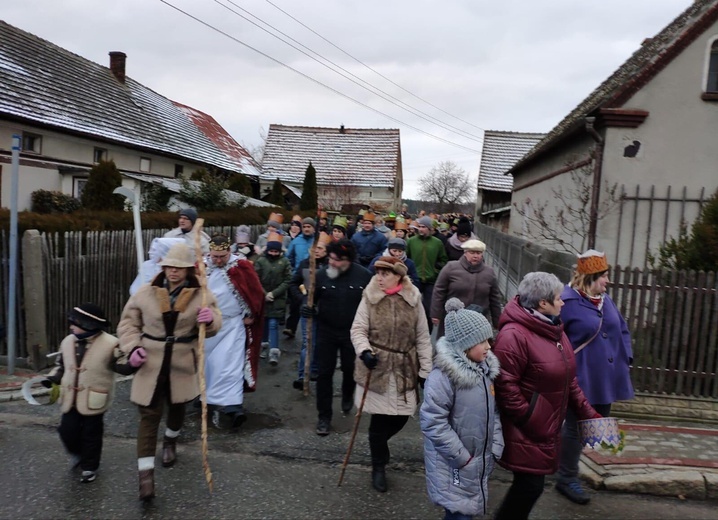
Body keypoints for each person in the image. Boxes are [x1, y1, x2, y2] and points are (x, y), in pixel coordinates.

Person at [117, 242, 222, 501]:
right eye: (169, 266)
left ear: (189, 270)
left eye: (179, 267)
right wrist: (132, 348)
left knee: (177, 407)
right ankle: (145, 477)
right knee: (149, 416)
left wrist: (210, 320)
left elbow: (217, 321)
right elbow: (128, 324)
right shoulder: (145, 292)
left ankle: (171, 440)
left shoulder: (202, 294)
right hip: (150, 361)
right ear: (163, 267)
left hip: (182, 360)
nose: (173, 272)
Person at [491, 272, 599, 520]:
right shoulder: (514, 335)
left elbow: (569, 380)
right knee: (530, 486)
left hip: (547, 427)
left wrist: (589, 414)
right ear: (543, 303)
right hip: (527, 428)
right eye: (559, 298)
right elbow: (505, 386)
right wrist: (532, 418)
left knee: (529, 488)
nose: (563, 302)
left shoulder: (554, 329)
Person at [556, 250, 634, 504]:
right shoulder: (566, 302)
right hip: (582, 377)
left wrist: (627, 357)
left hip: (608, 376)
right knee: (576, 428)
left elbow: (621, 328)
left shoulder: (605, 300)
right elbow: (554, 337)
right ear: (590, 277)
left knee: (598, 424)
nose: (607, 281)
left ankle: (584, 462)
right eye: (604, 276)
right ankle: (566, 478)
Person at [351, 256, 432, 492]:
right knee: (378, 422)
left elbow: (423, 338)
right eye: (377, 272)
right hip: (377, 368)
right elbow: (358, 329)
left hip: (405, 367)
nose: (379, 277)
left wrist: (426, 371)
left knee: (401, 416)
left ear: (398, 276)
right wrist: (364, 351)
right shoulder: (370, 297)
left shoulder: (413, 298)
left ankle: (379, 447)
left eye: (385, 273)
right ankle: (378, 466)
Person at [421, 298, 504, 520]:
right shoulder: (443, 378)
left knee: (467, 508)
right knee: (459, 512)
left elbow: (493, 411)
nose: (489, 346)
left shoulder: (484, 371)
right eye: (482, 341)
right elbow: (433, 422)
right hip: (455, 465)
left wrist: (496, 445)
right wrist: (462, 458)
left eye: (489, 340)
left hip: (478, 460)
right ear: (464, 345)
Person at [43, 303, 133, 484]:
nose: (71, 327)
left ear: (88, 324)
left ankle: (90, 467)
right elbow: (61, 365)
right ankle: (77, 452)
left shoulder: (110, 343)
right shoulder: (68, 341)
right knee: (67, 431)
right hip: (70, 397)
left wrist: (134, 363)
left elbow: (120, 366)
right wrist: (52, 379)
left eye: (74, 323)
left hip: (94, 398)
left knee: (91, 435)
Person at [301, 239, 372, 436]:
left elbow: (373, 304)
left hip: (353, 333)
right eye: (331, 258)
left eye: (338, 260)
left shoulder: (364, 276)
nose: (332, 262)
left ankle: (348, 393)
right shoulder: (321, 275)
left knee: (350, 369)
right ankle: (324, 417)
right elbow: (309, 299)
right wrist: (306, 308)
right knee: (324, 374)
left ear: (348, 260)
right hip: (326, 331)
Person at [203, 235, 265, 429]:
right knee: (209, 363)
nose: (219, 260)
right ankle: (205, 396)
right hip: (209, 327)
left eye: (222, 256)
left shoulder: (242, 266)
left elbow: (255, 293)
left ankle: (233, 406)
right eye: (215, 256)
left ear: (229, 252)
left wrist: (251, 313)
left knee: (230, 364)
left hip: (233, 325)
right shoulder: (201, 268)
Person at [431, 239, 502, 336]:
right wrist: (436, 313)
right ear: (465, 253)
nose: (475, 256)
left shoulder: (489, 272)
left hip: (478, 321)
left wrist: (497, 320)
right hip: (453, 319)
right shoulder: (451, 268)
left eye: (478, 253)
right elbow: (439, 291)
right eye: (472, 252)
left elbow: (494, 298)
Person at [289, 231, 331, 389]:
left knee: (321, 343)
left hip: (325, 311)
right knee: (308, 343)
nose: (317, 251)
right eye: (315, 248)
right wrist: (302, 300)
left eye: (320, 248)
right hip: (308, 310)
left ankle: (316, 370)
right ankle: (302, 374)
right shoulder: (305, 264)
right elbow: (293, 283)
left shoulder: (331, 266)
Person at [254, 232, 292, 366]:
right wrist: (265, 293)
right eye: (272, 251)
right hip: (263, 297)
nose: (274, 254)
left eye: (277, 251)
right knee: (264, 322)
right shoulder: (261, 261)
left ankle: (274, 351)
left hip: (278, 298)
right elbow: (256, 279)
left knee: (273, 324)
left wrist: (274, 293)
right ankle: (264, 345)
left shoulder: (284, 262)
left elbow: (288, 280)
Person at [406, 215, 448, 330]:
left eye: (423, 227)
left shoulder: (437, 243)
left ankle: (427, 330)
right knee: (413, 305)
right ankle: (412, 328)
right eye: (419, 226)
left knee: (429, 307)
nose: (421, 229)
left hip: (431, 280)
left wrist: (436, 270)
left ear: (430, 229)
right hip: (415, 279)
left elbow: (444, 260)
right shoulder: (411, 242)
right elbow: (406, 259)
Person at [284, 217, 317, 338]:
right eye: (305, 227)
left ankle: (311, 330)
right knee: (295, 303)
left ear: (314, 228)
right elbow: (289, 257)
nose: (307, 229)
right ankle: (290, 327)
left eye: (309, 227)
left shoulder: (317, 241)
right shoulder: (296, 241)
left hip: (314, 275)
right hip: (299, 275)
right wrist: (293, 270)